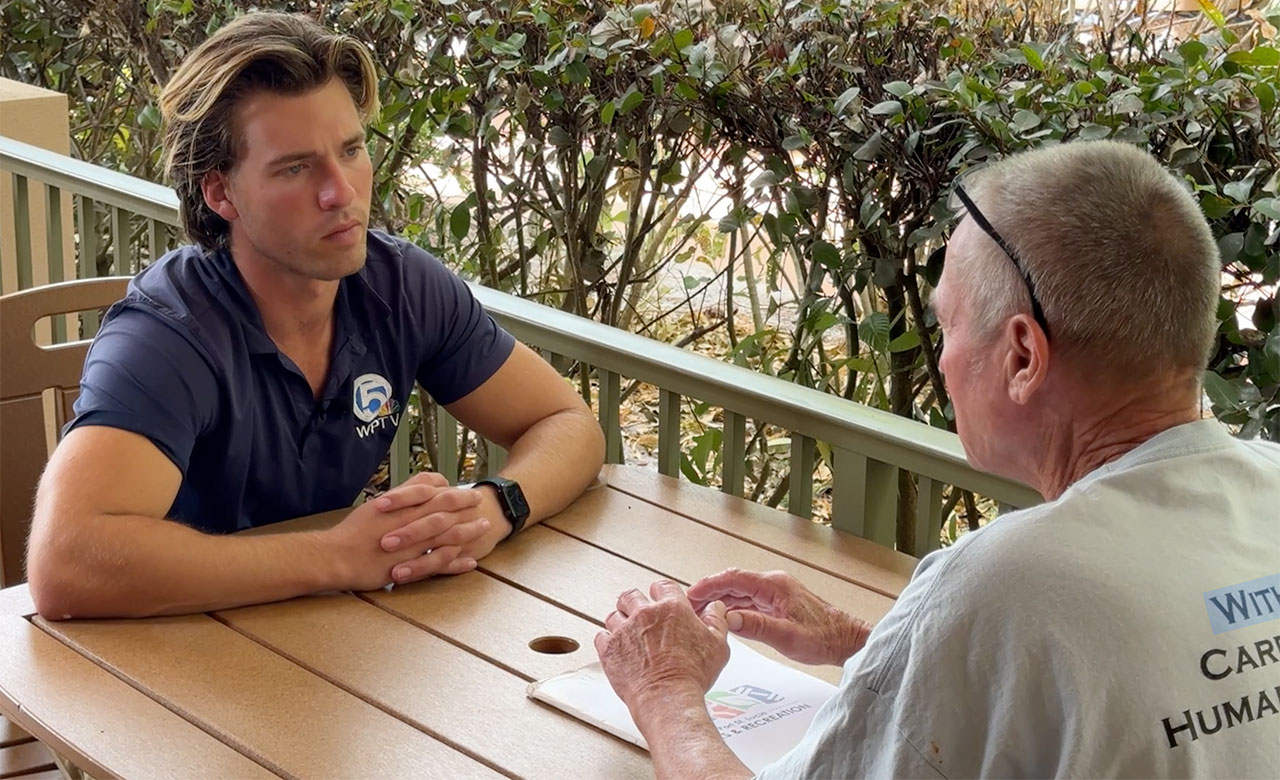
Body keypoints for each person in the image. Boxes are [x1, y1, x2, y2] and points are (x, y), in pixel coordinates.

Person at [594, 141, 1280, 777]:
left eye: (949, 325)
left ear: (1021, 356)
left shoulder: (1005, 582)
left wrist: (663, 689)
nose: (945, 361)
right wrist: (881, 649)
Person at [26, 12, 604, 620]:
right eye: (295, 168)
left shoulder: (399, 285)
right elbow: (67, 562)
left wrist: (493, 507)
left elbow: (567, 423)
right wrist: (336, 557)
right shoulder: (166, 336)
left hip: (317, 638)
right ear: (220, 193)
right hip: (150, 660)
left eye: (351, 150)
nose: (341, 192)